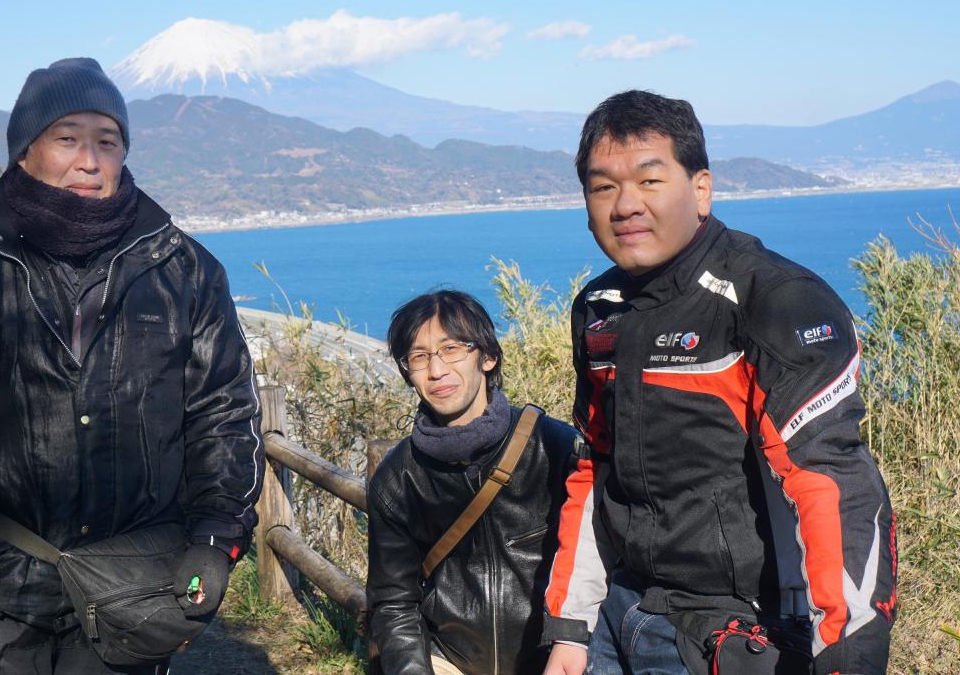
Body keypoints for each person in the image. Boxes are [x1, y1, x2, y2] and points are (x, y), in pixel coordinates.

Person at [0, 57, 264, 674]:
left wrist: (214, 538)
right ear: (25, 152)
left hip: (130, 586)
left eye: (108, 142)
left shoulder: (186, 271)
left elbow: (223, 414)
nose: (89, 161)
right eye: (67, 139)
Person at [541, 91, 896, 675]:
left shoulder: (774, 300)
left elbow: (832, 487)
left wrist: (845, 659)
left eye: (650, 180)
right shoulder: (599, 308)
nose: (625, 205)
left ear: (701, 189)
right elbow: (594, 471)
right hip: (615, 617)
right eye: (603, 187)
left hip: (733, 633)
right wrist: (570, 629)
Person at [367, 289, 585, 675]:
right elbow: (394, 602)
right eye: (419, 357)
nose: (436, 371)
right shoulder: (398, 477)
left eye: (451, 349)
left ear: (487, 357)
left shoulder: (554, 448)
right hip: (448, 662)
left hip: (553, 660)